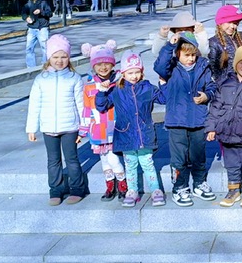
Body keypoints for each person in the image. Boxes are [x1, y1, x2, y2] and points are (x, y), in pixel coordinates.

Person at [153, 32, 218, 206]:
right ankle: (179, 187)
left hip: (198, 119)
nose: (190, 59)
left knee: (198, 155)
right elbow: (159, 67)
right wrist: (169, 46)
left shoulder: (203, 66)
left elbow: (212, 86)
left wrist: (207, 96)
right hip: (177, 121)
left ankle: (199, 183)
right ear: (178, 54)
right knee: (179, 158)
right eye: (186, 55)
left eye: (193, 55)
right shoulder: (171, 67)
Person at [96, 50, 165, 207]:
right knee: (130, 165)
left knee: (148, 164)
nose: (134, 76)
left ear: (142, 72)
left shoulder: (148, 88)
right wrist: (102, 92)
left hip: (145, 135)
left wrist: (163, 84)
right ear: (123, 73)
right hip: (126, 136)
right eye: (130, 73)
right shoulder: (117, 90)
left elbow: (163, 98)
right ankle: (132, 191)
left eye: (137, 72)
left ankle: (156, 190)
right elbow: (101, 106)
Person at [26, 34, 86, 206]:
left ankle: (77, 189)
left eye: (63, 56)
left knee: (72, 159)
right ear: (49, 58)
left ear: (69, 57)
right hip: (48, 127)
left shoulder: (74, 78)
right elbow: (34, 105)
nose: (59, 60)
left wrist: (84, 128)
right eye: (56, 57)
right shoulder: (41, 80)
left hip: (70, 127)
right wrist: (32, 128)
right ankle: (56, 190)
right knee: (53, 160)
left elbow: (81, 105)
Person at [205, 44, 242, 208]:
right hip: (227, 132)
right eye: (241, 63)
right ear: (235, 64)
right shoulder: (226, 82)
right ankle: (233, 189)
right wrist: (211, 127)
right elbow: (215, 106)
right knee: (231, 164)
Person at [79, 40, 127, 201]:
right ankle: (110, 185)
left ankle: (122, 184)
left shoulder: (119, 82)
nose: (103, 67)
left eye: (107, 63)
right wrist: (83, 130)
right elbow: (86, 110)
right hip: (97, 129)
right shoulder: (89, 86)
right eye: (99, 64)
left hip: (114, 128)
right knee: (104, 160)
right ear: (93, 66)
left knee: (113, 158)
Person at [208, 5, 242, 82]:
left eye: (235, 23)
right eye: (229, 22)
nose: (232, 26)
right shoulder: (213, 43)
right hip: (227, 84)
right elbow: (214, 70)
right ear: (220, 23)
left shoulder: (241, 37)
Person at [22, 0, 52, 68]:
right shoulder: (28, 4)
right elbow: (24, 13)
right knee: (29, 48)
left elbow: (50, 13)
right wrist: (26, 18)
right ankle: (31, 67)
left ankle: (45, 65)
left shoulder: (43, 3)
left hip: (42, 28)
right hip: (31, 28)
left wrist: (41, 12)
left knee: (45, 48)